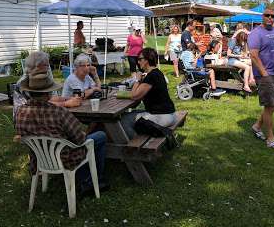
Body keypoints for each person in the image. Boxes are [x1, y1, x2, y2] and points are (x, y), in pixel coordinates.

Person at [15, 51, 107, 195]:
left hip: (39, 158)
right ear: (49, 93)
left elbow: (22, 135)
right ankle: (90, 180)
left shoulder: (20, 113)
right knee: (100, 135)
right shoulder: (59, 113)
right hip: (65, 158)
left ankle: (84, 177)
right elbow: (80, 139)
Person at [249, 6, 274, 149]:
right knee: (269, 105)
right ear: (262, 16)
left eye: (273, 16)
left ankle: (257, 126)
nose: (270, 18)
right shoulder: (255, 33)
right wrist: (264, 73)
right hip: (266, 74)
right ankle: (270, 139)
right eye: (267, 15)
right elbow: (253, 55)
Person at [121, 48, 177, 138]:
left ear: (147, 60)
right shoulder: (157, 73)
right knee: (130, 114)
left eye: (139, 59)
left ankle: (135, 145)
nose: (138, 62)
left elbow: (134, 96)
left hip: (163, 116)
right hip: (169, 114)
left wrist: (137, 80)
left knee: (124, 119)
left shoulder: (152, 76)